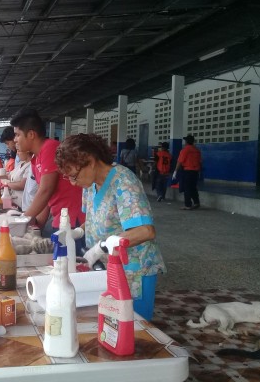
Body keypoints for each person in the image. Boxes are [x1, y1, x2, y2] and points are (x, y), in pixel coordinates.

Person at [55, 133, 166, 320]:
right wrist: (77, 231)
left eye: (74, 176)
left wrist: (102, 247)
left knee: (134, 327)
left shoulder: (123, 182)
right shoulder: (90, 185)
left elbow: (145, 231)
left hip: (134, 269)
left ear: (90, 161)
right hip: (110, 269)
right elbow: (94, 218)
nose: (73, 183)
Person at [11, 109, 84, 245]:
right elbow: (45, 198)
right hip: (60, 219)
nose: (15, 140)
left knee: (72, 263)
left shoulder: (50, 148)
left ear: (31, 134)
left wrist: (20, 222)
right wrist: (37, 226)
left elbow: (46, 190)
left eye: (17, 135)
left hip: (73, 220)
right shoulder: (35, 159)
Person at [174, 134, 201, 210]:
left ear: (186, 142)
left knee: (187, 188)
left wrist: (175, 171)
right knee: (193, 187)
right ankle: (196, 202)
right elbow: (200, 161)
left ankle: (188, 204)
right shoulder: (197, 150)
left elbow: (180, 161)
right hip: (195, 172)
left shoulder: (185, 150)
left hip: (188, 171)